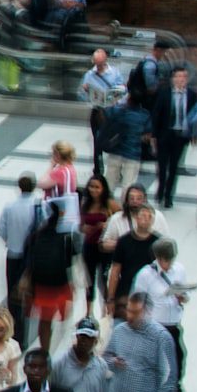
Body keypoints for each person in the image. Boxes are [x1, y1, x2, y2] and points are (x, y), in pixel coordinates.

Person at [130, 237, 190, 392]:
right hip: (154, 329)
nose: (168, 264)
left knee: (177, 366)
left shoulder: (179, 270)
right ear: (157, 257)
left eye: (170, 259)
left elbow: (186, 295)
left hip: (173, 327)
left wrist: (182, 297)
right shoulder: (146, 275)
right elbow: (136, 300)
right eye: (165, 260)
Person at [19, 202, 77, 354]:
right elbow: (71, 262)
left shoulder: (36, 235)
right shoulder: (66, 236)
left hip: (41, 286)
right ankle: (55, 352)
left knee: (45, 322)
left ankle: (45, 352)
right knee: (62, 320)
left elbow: (28, 261)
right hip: (60, 285)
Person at [0, 173, 42, 335]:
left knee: (13, 294)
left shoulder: (10, 206)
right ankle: (27, 327)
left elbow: (2, 231)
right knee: (29, 292)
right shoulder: (39, 206)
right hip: (33, 257)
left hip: (13, 254)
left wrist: (11, 241)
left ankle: (15, 330)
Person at [153, 67, 197, 210]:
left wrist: (192, 134)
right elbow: (157, 114)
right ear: (173, 78)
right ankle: (160, 191)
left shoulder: (191, 95)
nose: (181, 79)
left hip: (180, 136)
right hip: (165, 135)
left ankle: (168, 196)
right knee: (162, 166)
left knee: (174, 167)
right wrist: (154, 134)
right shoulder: (164, 93)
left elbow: (194, 116)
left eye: (184, 76)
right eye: (178, 76)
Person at [106, 205, 159, 318]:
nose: (146, 219)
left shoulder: (158, 242)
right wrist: (110, 298)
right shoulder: (124, 241)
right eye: (143, 215)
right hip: (125, 292)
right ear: (136, 218)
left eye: (149, 216)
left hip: (149, 295)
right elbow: (115, 270)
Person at [100, 89, 150, 198]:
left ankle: (107, 204)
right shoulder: (145, 115)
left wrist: (115, 103)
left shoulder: (118, 111)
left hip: (116, 150)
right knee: (128, 185)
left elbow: (105, 112)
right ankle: (126, 207)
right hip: (133, 153)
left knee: (110, 181)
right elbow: (147, 135)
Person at [81, 175, 119, 317]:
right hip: (89, 246)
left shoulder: (110, 204)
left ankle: (105, 310)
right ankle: (88, 312)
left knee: (104, 279)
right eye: (91, 186)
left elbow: (120, 218)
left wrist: (107, 225)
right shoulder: (86, 204)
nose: (94, 190)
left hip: (104, 248)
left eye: (97, 187)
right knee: (89, 279)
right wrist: (84, 228)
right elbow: (80, 225)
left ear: (103, 189)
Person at [83, 49, 125, 177]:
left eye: (101, 63)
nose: (99, 66)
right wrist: (87, 90)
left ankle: (118, 169)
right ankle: (98, 169)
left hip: (111, 110)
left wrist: (115, 94)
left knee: (115, 140)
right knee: (97, 141)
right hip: (97, 110)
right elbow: (84, 90)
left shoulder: (114, 73)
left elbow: (123, 88)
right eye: (96, 63)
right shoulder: (90, 74)